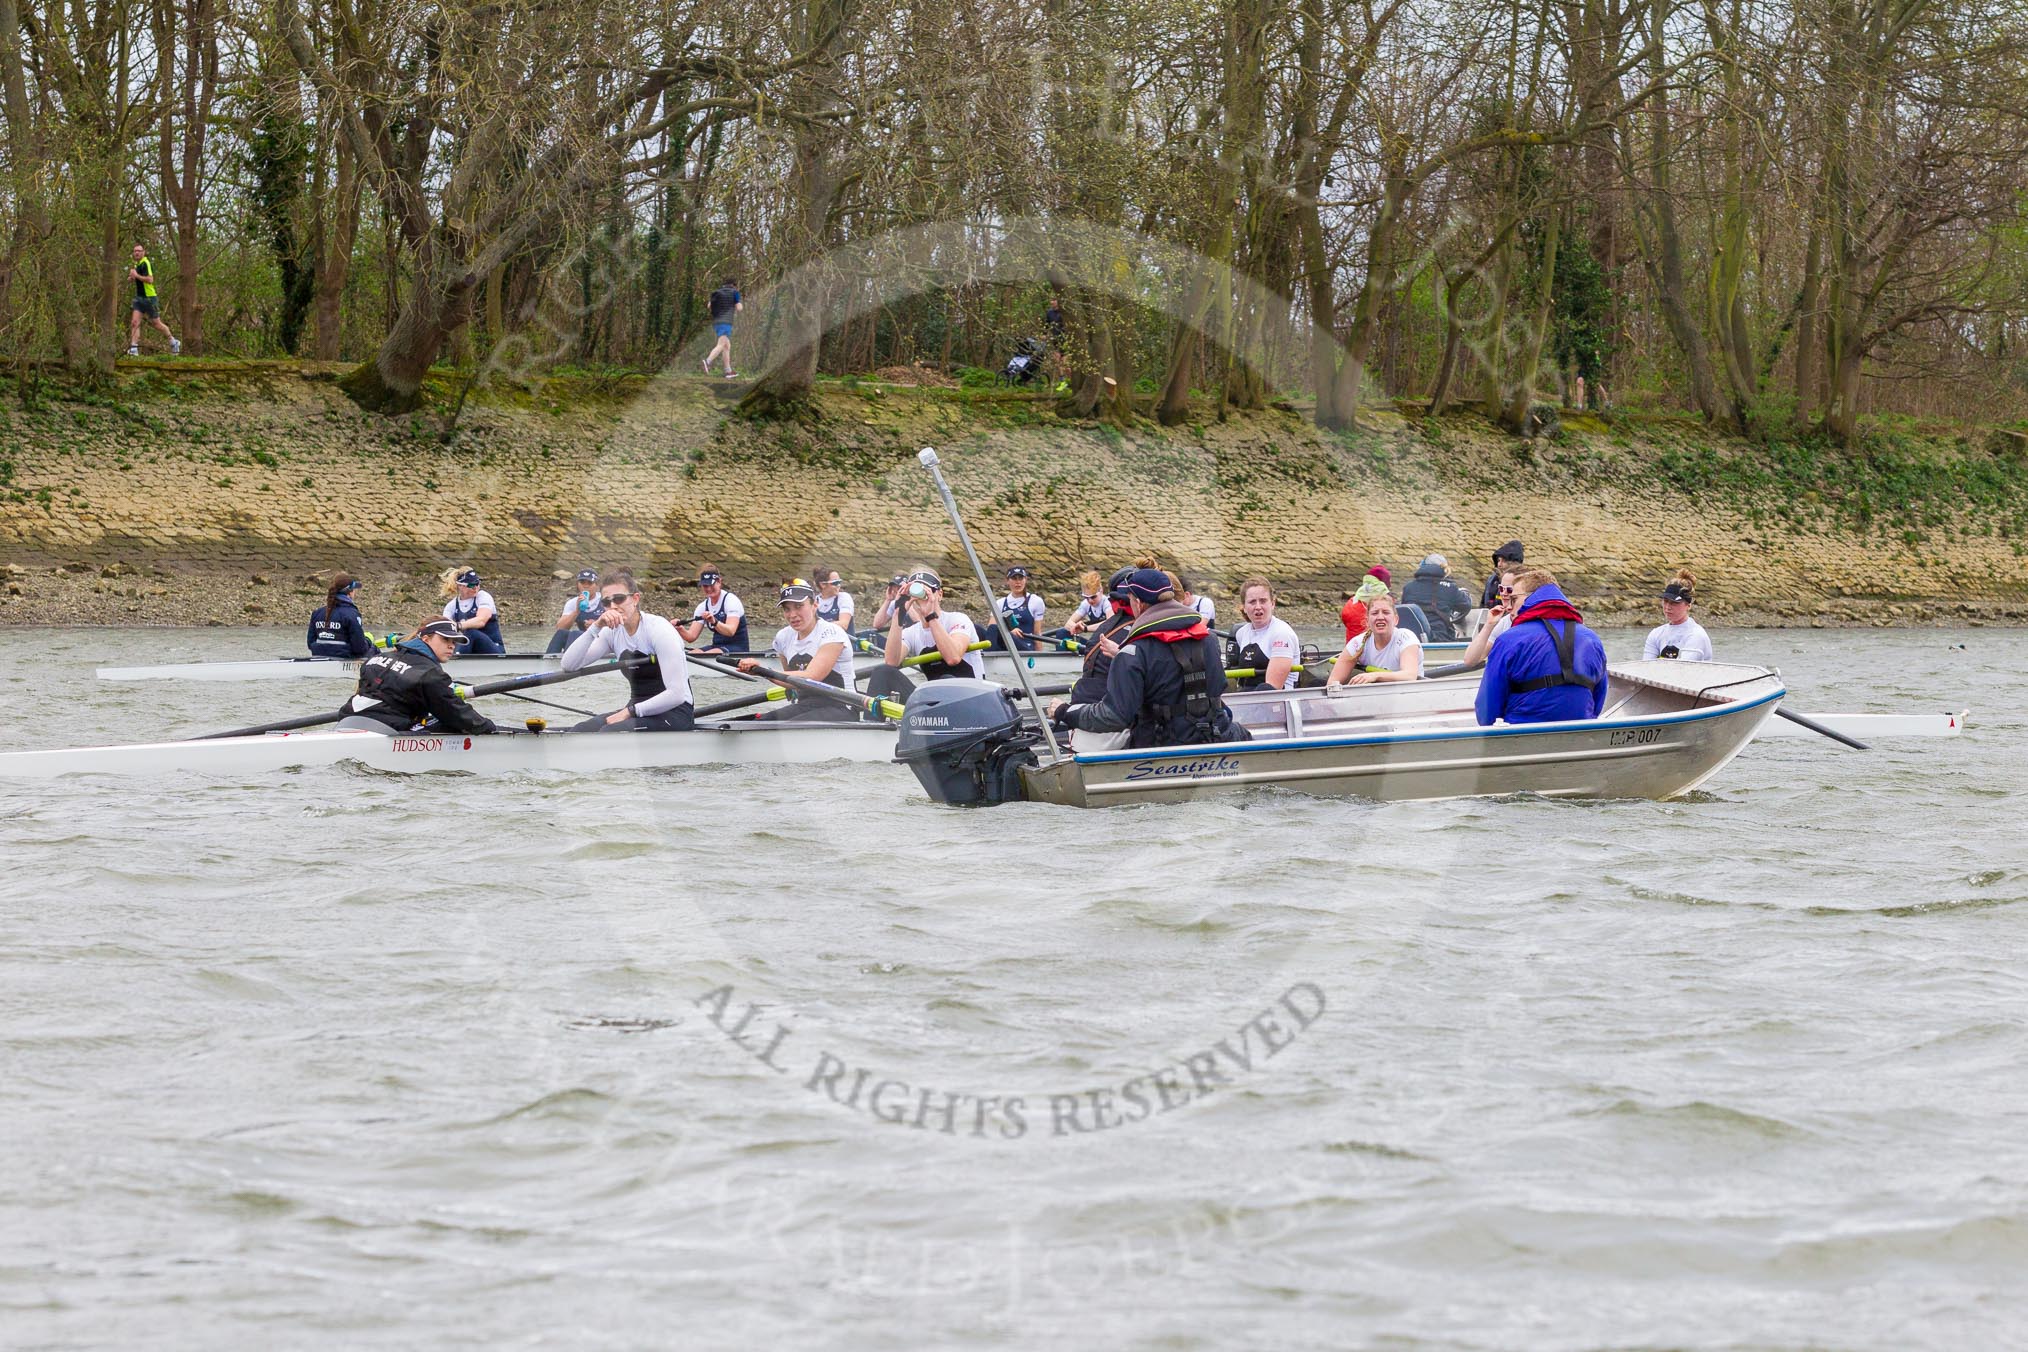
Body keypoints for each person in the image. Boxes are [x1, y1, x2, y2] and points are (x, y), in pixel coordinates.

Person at [1048, 569, 1242, 749]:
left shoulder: (1131, 653)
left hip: (1161, 748)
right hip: (1216, 737)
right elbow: (1219, 686)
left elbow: (1113, 717)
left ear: (1138, 603)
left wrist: (1065, 711)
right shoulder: (1209, 639)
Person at [561, 569, 695, 731]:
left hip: (675, 712)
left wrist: (630, 712)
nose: (613, 606)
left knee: (609, 732)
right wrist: (596, 627)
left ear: (635, 599)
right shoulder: (611, 632)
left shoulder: (659, 630)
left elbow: (677, 694)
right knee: (581, 730)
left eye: (619, 599)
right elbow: (569, 665)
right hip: (637, 710)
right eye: (606, 602)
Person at [1475, 567, 1609, 726]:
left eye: (1514, 599)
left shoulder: (1509, 640)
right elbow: (1599, 699)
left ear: (1530, 598)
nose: (1509, 607)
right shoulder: (1592, 639)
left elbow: (1487, 708)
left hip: (1521, 734)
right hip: (1580, 731)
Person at [338, 618, 498, 734]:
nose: (451, 645)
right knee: (454, 725)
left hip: (348, 718)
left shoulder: (375, 659)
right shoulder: (430, 674)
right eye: (445, 639)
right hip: (388, 727)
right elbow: (456, 713)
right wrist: (488, 728)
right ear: (425, 638)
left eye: (454, 641)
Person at [862, 568, 984, 705]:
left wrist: (930, 616)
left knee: (946, 679)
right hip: (934, 702)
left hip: (970, 699)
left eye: (927, 591)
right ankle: (873, 724)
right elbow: (891, 661)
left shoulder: (958, 620)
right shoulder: (912, 632)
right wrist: (898, 614)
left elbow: (953, 657)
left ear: (939, 594)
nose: (922, 598)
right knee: (882, 672)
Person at [739, 579, 856, 720]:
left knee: (785, 728)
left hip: (842, 706)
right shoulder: (783, 637)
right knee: (762, 721)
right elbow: (789, 680)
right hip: (807, 705)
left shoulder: (831, 633)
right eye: (787, 609)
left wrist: (763, 669)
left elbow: (812, 677)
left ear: (815, 605)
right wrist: (759, 671)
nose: (792, 614)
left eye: (799, 606)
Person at [1057, 567, 1138, 751]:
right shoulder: (1141, 630)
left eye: (1093, 597)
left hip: (1084, 732)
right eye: (1087, 598)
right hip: (1112, 727)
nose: (1090, 601)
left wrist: (1085, 629)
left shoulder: (1110, 616)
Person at [1327, 594, 1423, 686]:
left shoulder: (1406, 637)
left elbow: (1409, 675)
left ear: (1396, 620)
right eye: (1375, 613)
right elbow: (1332, 682)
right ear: (1367, 620)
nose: (1380, 617)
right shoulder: (1358, 643)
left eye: (1386, 612)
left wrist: (1375, 675)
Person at [1227, 576, 1301, 691]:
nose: (1258, 607)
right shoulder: (1241, 633)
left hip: (1277, 700)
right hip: (1248, 696)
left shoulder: (1282, 634)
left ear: (1272, 603)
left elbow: (1272, 688)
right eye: (1252, 602)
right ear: (1244, 607)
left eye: (1263, 601)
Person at [1401, 553, 1473, 642]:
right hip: (1440, 638)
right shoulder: (1449, 588)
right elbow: (1466, 606)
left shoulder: (1408, 587)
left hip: (1412, 639)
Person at [1643, 570, 1714, 661]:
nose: (1668, 607)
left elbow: (1682, 671)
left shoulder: (1696, 636)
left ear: (1688, 605)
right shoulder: (1656, 634)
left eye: (1674, 603)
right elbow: (1647, 667)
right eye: (1666, 601)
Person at [679, 565, 749, 654]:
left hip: (738, 648)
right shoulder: (703, 607)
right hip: (717, 646)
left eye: (711, 584)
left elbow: (731, 631)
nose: (708, 589)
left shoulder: (731, 601)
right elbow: (691, 637)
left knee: (708, 654)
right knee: (693, 654)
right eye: (705, 586)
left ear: (719, 582)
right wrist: (679, 628)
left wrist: (714, 622)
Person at [125, 244, 180, 357]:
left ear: (143, 252)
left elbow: (150, 280)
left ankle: (173, 341)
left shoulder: (146, 263)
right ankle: (134, 348)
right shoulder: (137, 264)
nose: (137, 253)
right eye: (135, 251)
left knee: (156, 324)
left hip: (150, 298)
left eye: (139, 251)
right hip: (139, 298)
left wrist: (136, 275)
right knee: (134, 323)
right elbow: (138, 277)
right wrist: (132, 278)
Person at [1459, 567, 1520, 667]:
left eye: (1509, 589)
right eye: (1501, 588)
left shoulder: (1534, 621)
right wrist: (1489, 624)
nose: (1504, 593)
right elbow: (1470, 660)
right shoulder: (1504, 622)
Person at [307, 573, 376, 658]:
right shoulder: (351, 614)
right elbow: (359, 649)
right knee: (374, 649)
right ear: (350, 592)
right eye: (354, 589)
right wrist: (368, 641)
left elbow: (310, 643)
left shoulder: (317, 613)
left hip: (319, 656)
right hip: (343, 658)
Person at [443, 569, 505, 654]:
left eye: (477, 583)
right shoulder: (451, 606)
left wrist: (458, 625)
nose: (475, 588)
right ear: (460, 586)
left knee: (470, 632)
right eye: (471, 585)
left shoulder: (483, 596)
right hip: (471, 649)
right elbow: (444, 628)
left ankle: (457, 660)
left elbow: (481, 621)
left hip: (494, 650)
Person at [985, 566, 1045, 650]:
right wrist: (1009, 631)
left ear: (1026, 579)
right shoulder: (1000, 603)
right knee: (980, 628)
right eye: (1014, 578)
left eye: (1021, 578)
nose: (1018, 582)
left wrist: (1040, 657)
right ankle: (987, 658)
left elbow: (1037, 633)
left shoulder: (1035, 601)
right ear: (1007, 581)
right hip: (1006, 646)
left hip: (1025, 646)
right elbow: (991, 628)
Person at [547, 568, 605, 655]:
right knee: (561, 633)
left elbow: (617, 626)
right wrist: (576, 611)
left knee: (575, 634)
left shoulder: (605, 600)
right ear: (577, 585)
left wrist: (597, 624)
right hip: (583, 639)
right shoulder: (572, 603)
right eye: (582, 582)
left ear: (596, 585)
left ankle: (569, 663)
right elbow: (560, 627)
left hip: (602, 639)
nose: (586, 586)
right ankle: (548, 659)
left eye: (589, 583)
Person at [1340, 567, 1390, 643]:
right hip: (1373, 648)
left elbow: (1345, 617)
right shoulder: (1384, 598)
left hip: (1352, 648)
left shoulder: (1353, 599)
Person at [703, 276, 741, 377]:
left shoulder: (717, 292)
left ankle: (728, 371)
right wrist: (738, 304)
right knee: (721, 344)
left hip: (716, 321)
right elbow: (739, 308)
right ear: (734, 285)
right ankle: (707, 361)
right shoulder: (735, 292)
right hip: (726, 321)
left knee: (727, 346)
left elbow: (709, 306)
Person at [1058, 570, 1110, 637]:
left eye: (1093, 597)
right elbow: (1068, 624)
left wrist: (1086, 628)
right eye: (1086, 597)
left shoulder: (1107, 603)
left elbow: (1109, 623)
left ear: (1101, 591)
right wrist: (1076, 627)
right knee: (1062, 633)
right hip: (1097, 641)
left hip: (1111, 642)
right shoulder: (1085, 604)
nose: (1090, 600)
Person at [1480, 540, 1525, 608]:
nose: (1499, 564)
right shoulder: (1491, 580)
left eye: (1504, 561)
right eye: (1498, 560)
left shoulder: (1522, 583)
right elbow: (1483, 603)